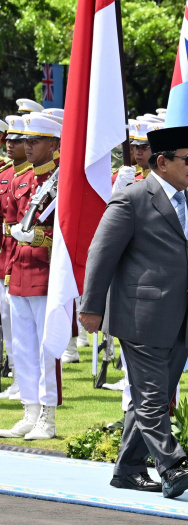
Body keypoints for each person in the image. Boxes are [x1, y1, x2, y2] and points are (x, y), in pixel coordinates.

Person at [79, 125, 188, 499]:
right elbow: (100, 255)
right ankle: (171, 465)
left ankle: (127, 470)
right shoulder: (132, 199)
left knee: (154, 397)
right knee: (153, 398)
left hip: (181, 320)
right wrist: (91, 308)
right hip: (140, 317)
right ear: (162, 162)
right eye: (187, 159)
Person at [0, 114, 62, 440]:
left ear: (53, 145)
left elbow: (66, 233)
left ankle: (48, 417)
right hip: (19, 271)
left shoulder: (61, 181)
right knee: (22, 347)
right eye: (26, 140)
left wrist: (38, 238)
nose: (27, 145)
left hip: (46, 271)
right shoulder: (19, 180)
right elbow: (11, 226)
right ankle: (30, 410)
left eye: (35, 140)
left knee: (45, 347)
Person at [0, 115, 29, 401]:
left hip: (26, 254)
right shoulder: (6, 174)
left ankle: (24, 380)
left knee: (18, 322)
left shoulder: (35, 177)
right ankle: (17, 377)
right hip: (6, 253)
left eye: (18, 140)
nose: (10, 144)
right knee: (8, 319)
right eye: (9, 139)